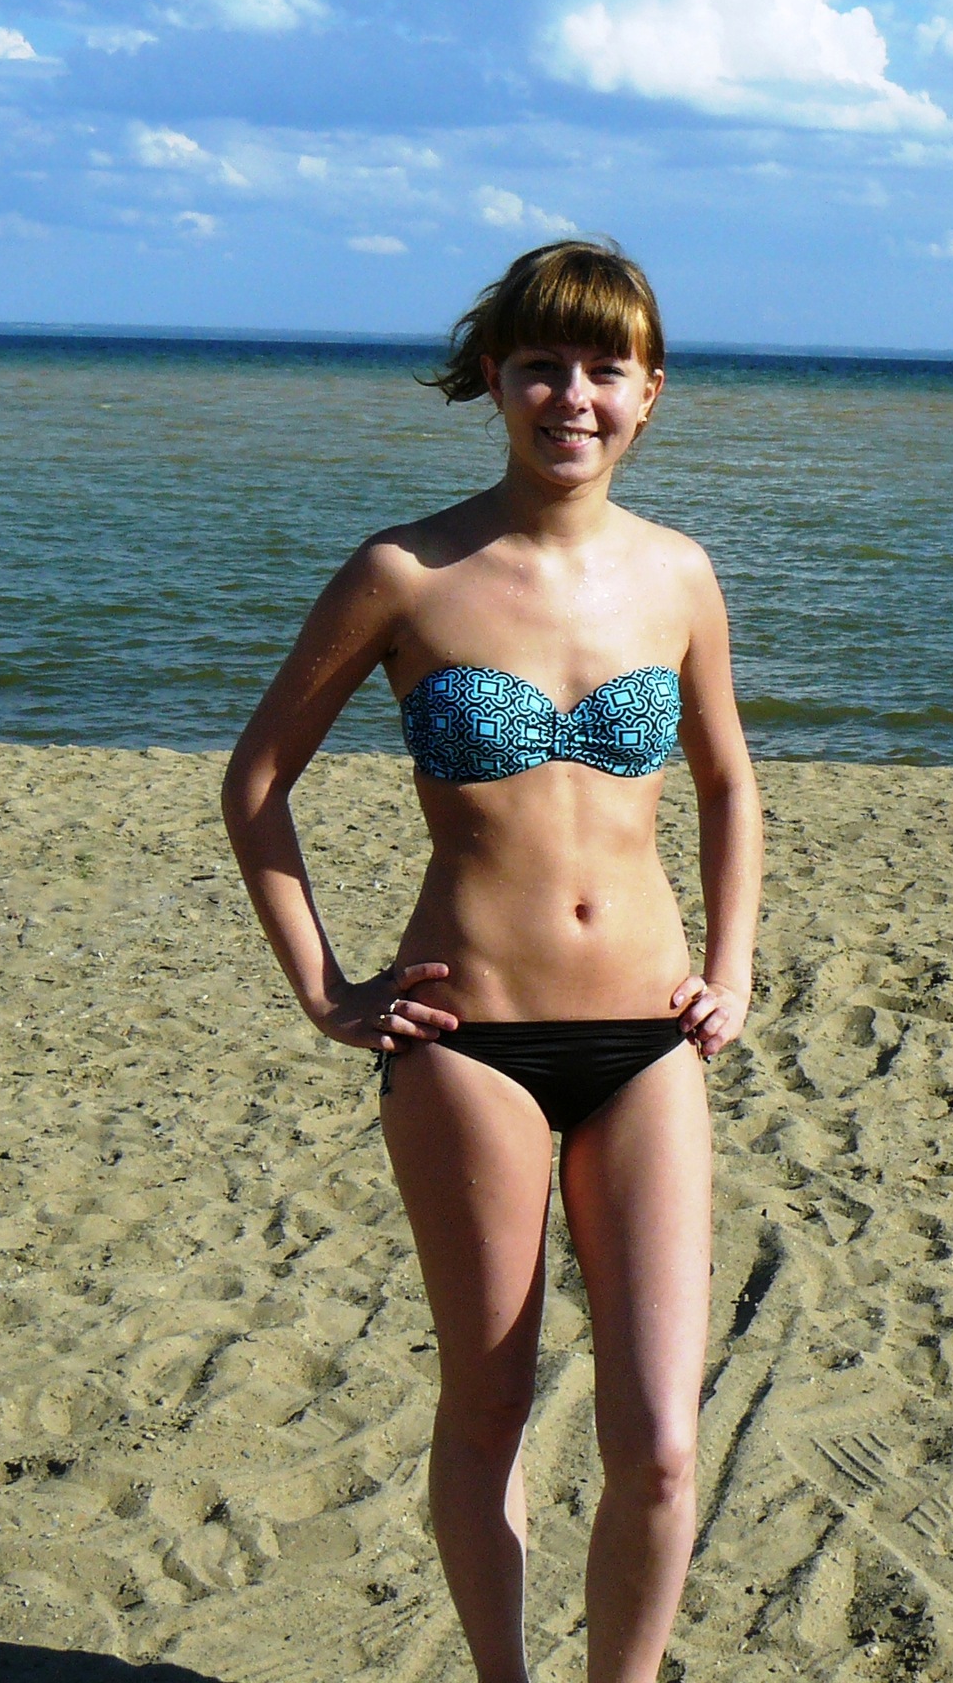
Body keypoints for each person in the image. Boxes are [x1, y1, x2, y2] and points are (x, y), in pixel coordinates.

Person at [222, 239, 763, 1683]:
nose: (571, 395)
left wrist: (735, 966)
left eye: (603, 369)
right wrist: (324, 987)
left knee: (661, 1440)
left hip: (648, 1041)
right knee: (490, 1408)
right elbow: (256, 781)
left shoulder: (680, 575)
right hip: (468, 1046)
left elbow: (729, 785)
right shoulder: (406, 574)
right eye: (541, 366)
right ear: (493, 381)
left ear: (650, 390)